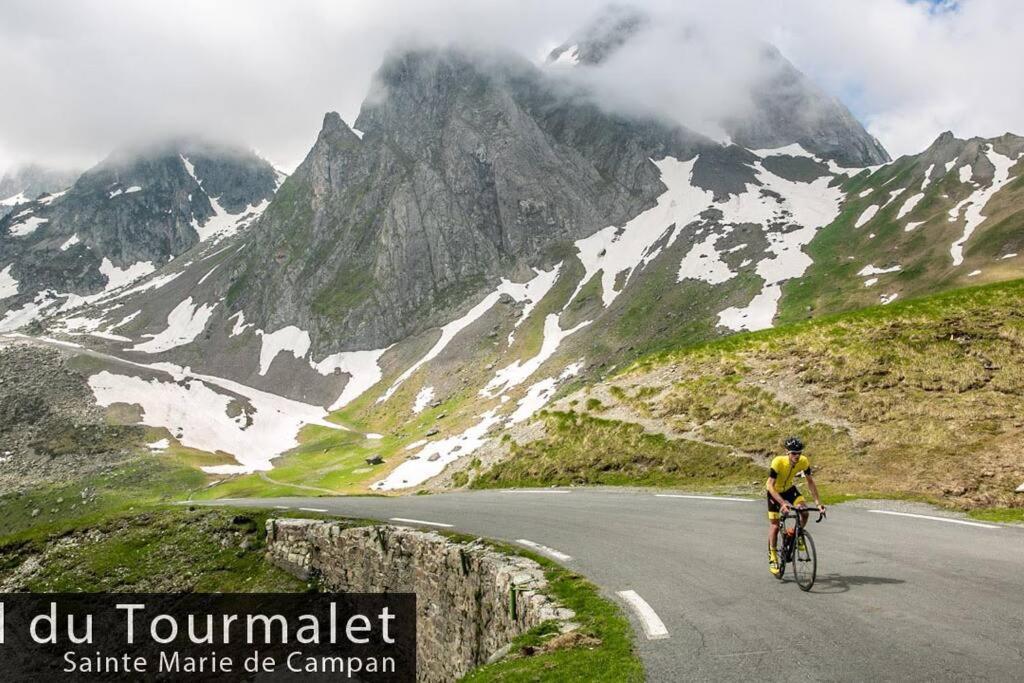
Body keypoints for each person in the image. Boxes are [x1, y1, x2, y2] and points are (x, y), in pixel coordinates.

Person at [766, 436, 824, 576]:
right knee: (774, 525)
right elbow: (769, 485)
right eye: (793, 453)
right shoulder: (778, 462)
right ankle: (773, 556)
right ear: (787, 452)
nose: (797, 456)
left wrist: (818, 503)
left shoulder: (803, 461)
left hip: (789, 490)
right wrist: (782, 503)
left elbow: (810, 482)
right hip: (775, 492)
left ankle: (795, 534)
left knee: (804, 512)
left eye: (799, 452)